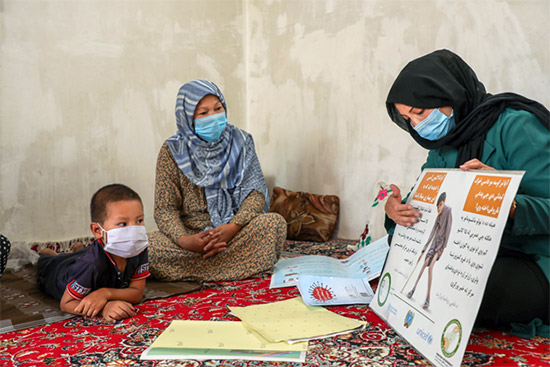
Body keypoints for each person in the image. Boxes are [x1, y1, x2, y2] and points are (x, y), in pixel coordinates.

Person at [384, 49, 549, 337]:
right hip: (473, 253)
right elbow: (422, 203)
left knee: (464, 293)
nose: (417, 126)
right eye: (408, 119)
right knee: (397, 262)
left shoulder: (516, 127)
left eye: (420, 112)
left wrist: (507, 202)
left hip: (533, 255)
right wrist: (396, 211)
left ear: (451, 94)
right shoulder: (444, 144)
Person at [148, 80, 286, 282]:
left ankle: (193, 271)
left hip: (234, 231)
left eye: (218, 109)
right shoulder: (172, 151)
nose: (213, 117)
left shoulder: (242, 141)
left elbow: (255, 193)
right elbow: (165, 208)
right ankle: (237, 267)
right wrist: (185, 240)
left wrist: (233, 227)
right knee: (146, 246)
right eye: (203, 113)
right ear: (186, 117)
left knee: (273, 224)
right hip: (192, 237)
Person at [37, 184, 150, 322]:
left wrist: (105, 293)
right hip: (58, 271)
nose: (134, 231)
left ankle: (78, 249)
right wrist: (104, 308)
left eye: (139, 220)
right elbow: (66, 303)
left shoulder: (138, 247)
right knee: (53, 261)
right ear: (97, 230)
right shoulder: (91, 264)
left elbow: (137, 293)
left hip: (87, 258)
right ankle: (48, 253)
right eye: (122, 224)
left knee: (83, 254)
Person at [405, 192, 452, 310]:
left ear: (444, 202)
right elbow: (432, 233)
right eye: (437, 206)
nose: (438, 208)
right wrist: (424, 250)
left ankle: (428, 298)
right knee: (423, 265)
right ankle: (413, 289)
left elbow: (448, 230)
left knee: (430, 268)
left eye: (440, 205)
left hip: (440, 245)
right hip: (433, 244)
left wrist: (443, 248)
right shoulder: (438, 216)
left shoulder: (448, 212)